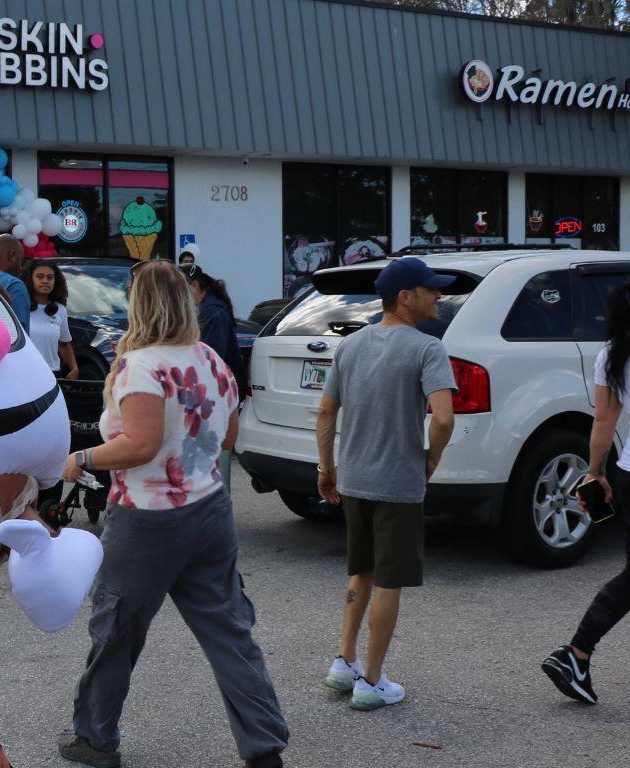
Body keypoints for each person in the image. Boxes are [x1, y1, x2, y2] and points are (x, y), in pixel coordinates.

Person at [58, 261, 288, 768]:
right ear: (185, 302)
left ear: (138, 304)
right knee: (229, 632)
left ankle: (95, 739)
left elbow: (140, 446)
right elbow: (227, 438)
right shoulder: (210, 358)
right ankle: (264, 746)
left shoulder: (139, 365)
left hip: (147, 518)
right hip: (209, 509)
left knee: (116, 630)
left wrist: (82, 459)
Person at [315, 257, 456, 711]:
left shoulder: (351, 346)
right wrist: (430, 460)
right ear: (405, 297)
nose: (439, 296)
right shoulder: (426, 348)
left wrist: (326, 468)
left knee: (362, 570)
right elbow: (444, 419)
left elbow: (325, 412)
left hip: (354, 477)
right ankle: (372, 682)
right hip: (397, 481)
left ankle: (345, 660)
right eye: (431, 290)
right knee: (390, 580)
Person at [541, 282, 630, 705]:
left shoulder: (612, 354)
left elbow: (603, 423)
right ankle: (575, 653)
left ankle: (575, 655)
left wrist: (596, 473)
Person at [182, 263, 247, 394]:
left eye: (180, 289)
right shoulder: (204, 308)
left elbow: (212, 357)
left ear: (194, 286)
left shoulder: (212, 311)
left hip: (222, 389)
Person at [23, 260, 80, 379]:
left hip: (51, 375)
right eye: (40, 277)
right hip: (24, 373)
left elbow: (64, 344)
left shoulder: (60, 310)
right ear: (30, 279)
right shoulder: (20, 307)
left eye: (50, 277)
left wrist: (74, 368)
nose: (45, 281)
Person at [0, 233, 30, 330]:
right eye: (20, 260)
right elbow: (19, 333)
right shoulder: (14, 285)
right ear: (12, 255)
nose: (20, 267)